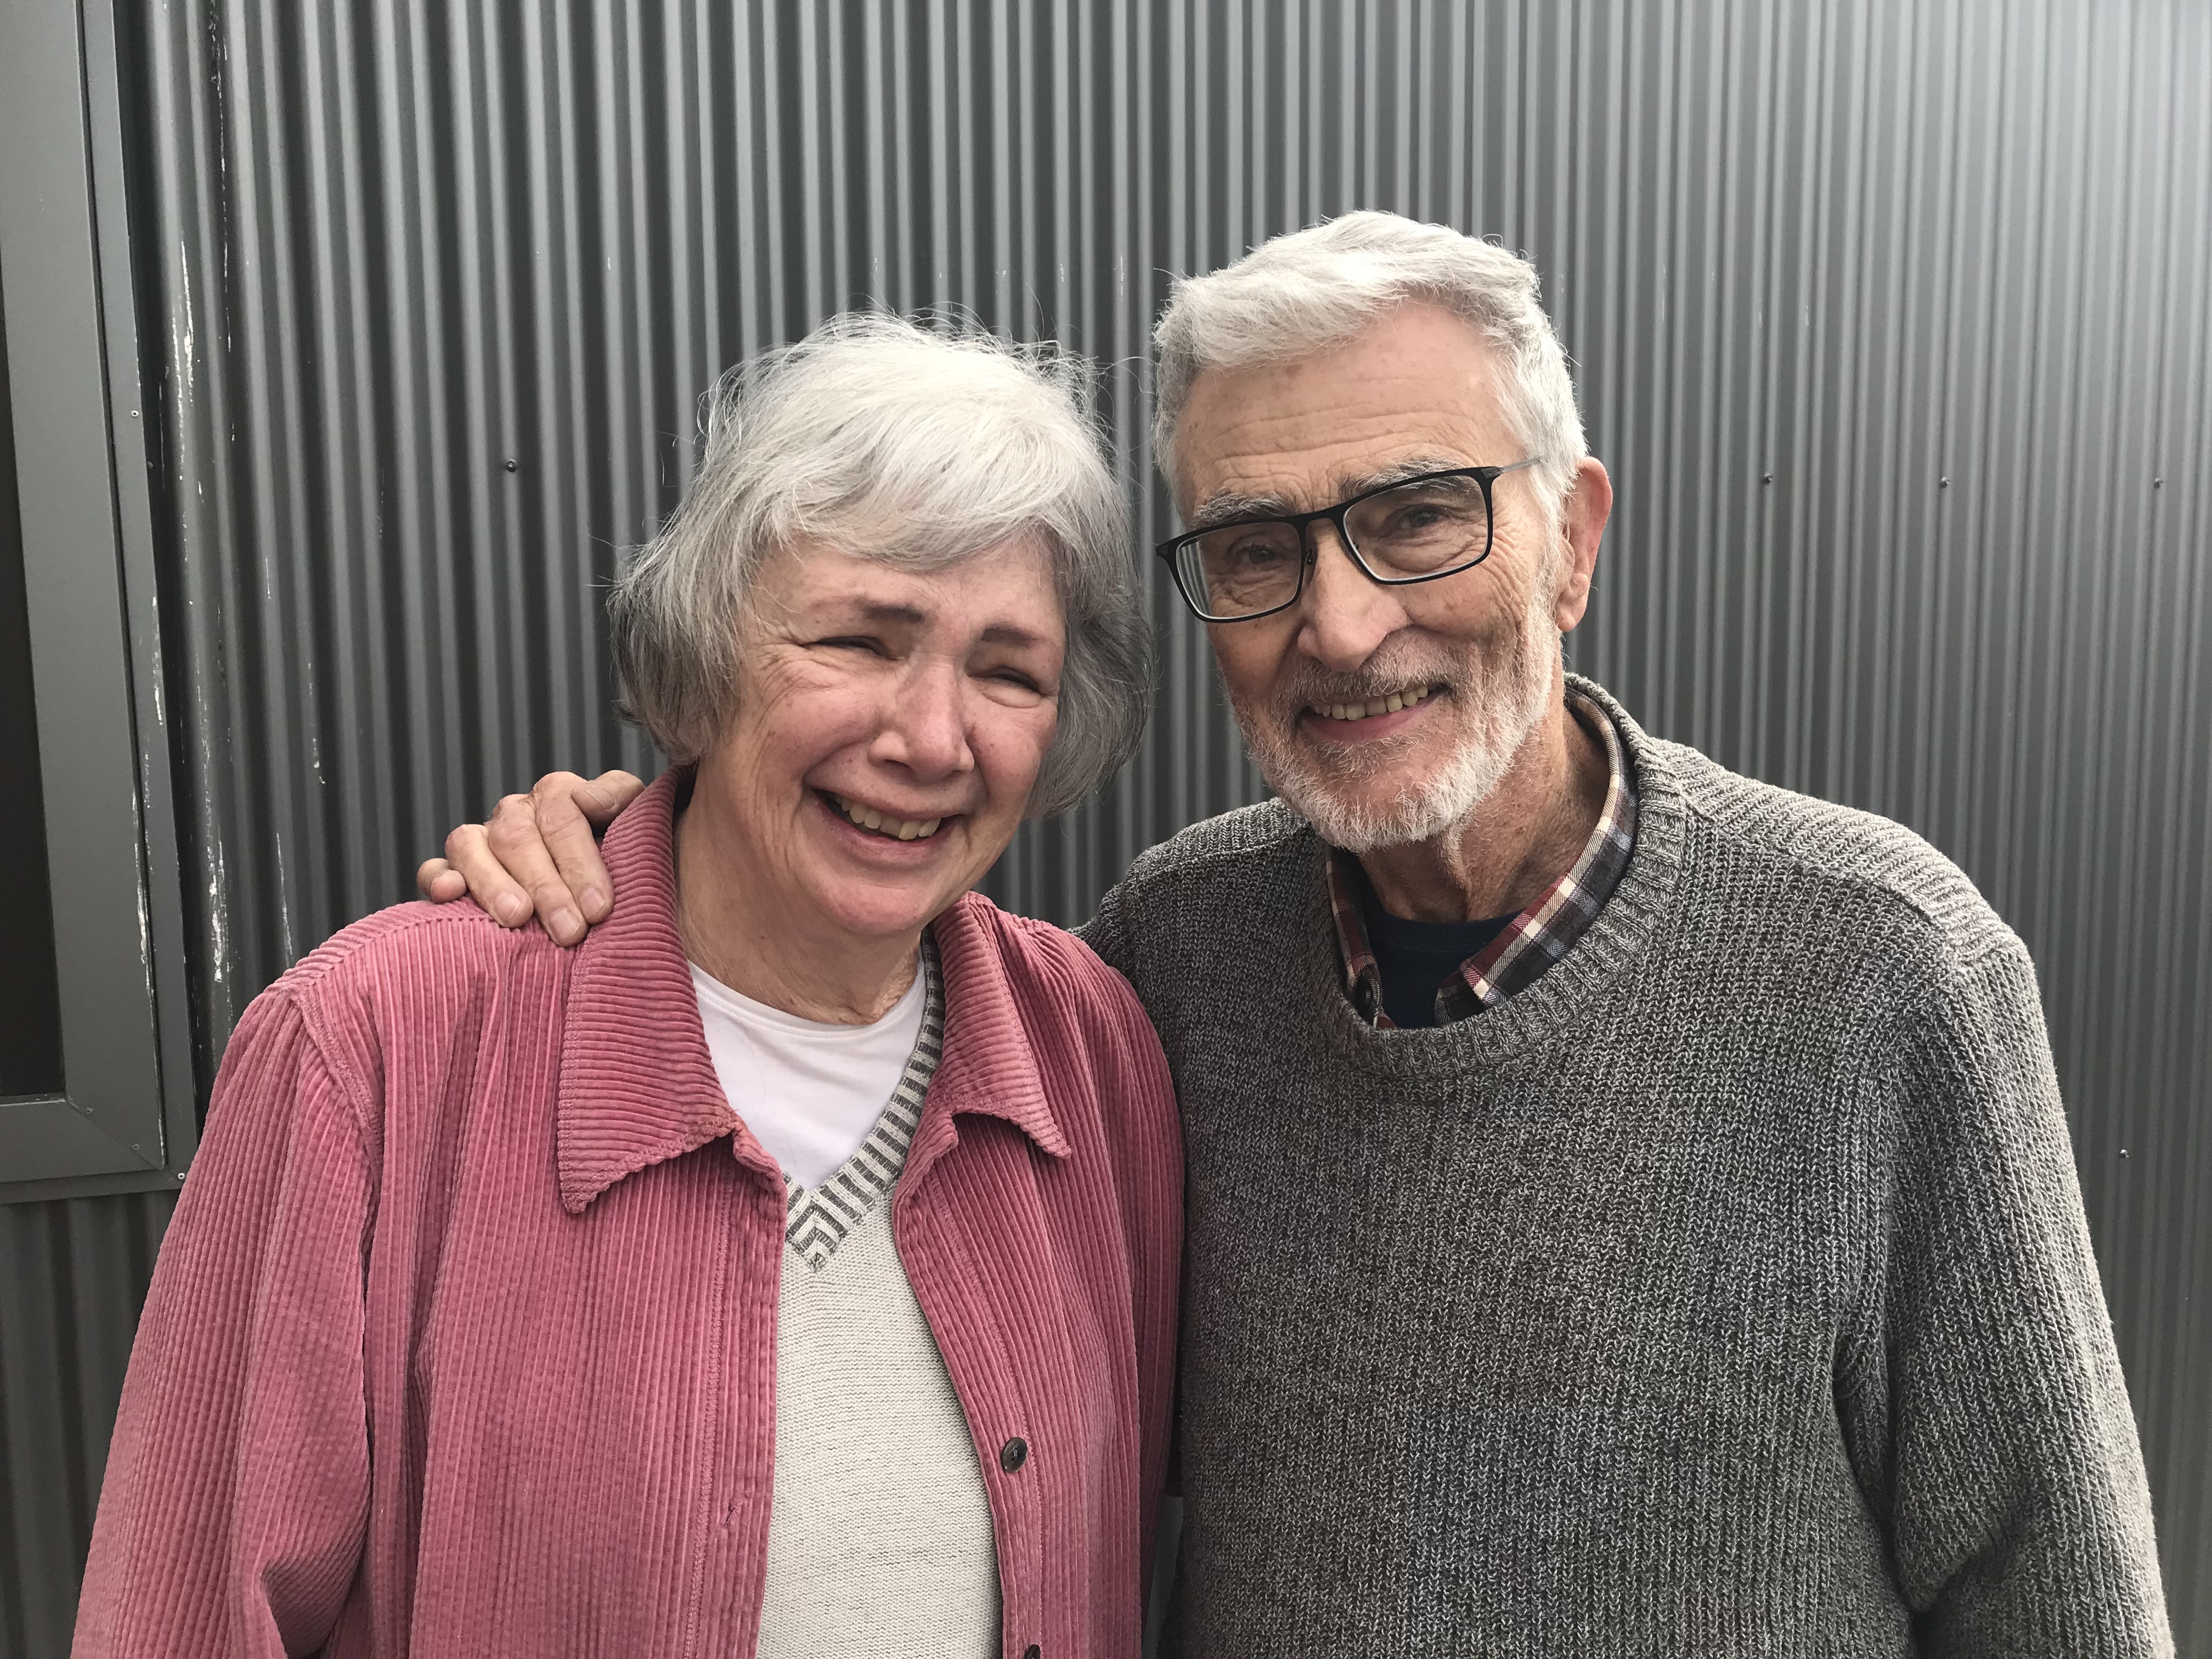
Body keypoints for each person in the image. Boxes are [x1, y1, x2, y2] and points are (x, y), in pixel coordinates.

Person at [427, 215, 2172, 1655]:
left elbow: (2059, 1602)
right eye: (1258, 547)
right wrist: (642, 851)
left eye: (1417, 516)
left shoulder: (1879, 973)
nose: (1338, 626)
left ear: (1571, 540)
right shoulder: (1168, 968)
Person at [73, 316, 1182, 1659]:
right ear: (705, 657)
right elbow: (183, 1618)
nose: (932, 738)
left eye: (1007, 672)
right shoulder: (371, 1049)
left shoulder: (1097, 1054)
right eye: (858, 640)